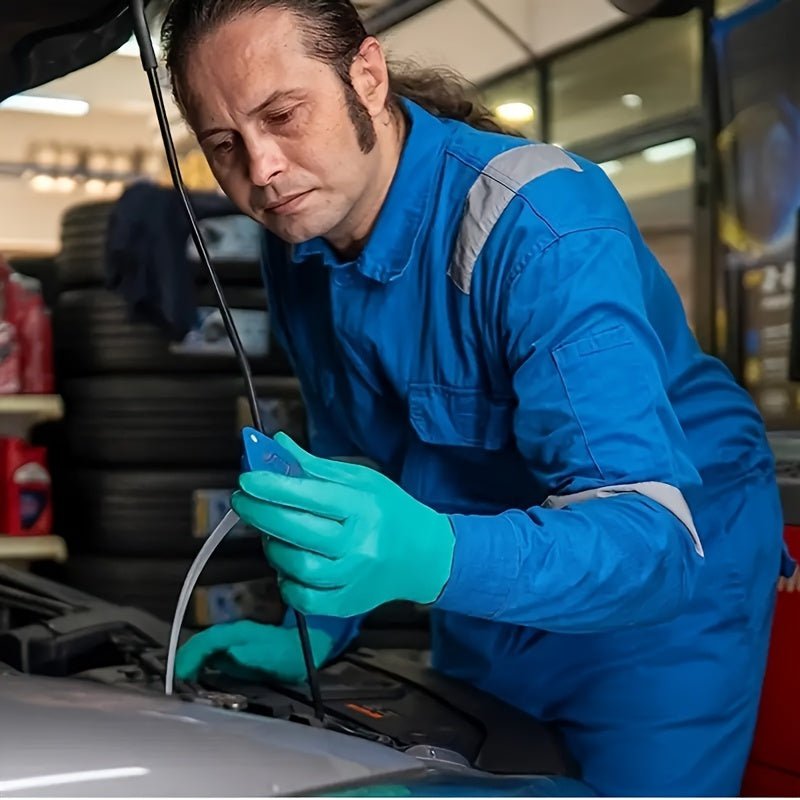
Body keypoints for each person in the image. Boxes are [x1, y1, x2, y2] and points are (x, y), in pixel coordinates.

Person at [161, 0, 792, 794]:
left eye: (283, 115)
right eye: (224, 145)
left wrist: (432, 554)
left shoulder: (539, 224)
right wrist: (312, 632)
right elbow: (354, 450)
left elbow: (652, 543)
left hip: (663, 595)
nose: (262, 170)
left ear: (366, 74)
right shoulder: (298, 240)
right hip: (487, 577)